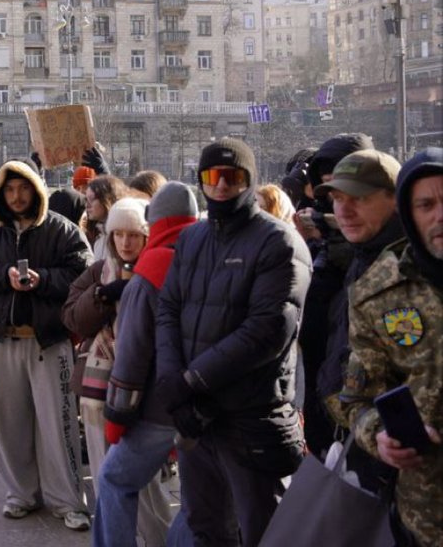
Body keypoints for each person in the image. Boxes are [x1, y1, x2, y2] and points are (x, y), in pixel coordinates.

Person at [155, 138, 310, 546]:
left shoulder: (279, 241)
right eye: (212, 176)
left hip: (250, 420)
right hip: (197, 419)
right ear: (200, 181)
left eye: (233, 177)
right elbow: (168, 308)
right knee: (206, 528)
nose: (221, 186)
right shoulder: (192, 239)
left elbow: (267, 331)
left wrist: (190, 381)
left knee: (265, 532)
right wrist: (173, 380)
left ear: (249, 180)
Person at [0, 159, 92, 531]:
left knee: (59, 422)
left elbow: (83, 273)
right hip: (2, 340)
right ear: (0, 194)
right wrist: (4, 276)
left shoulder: (62, 230)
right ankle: (20, 494)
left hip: (48, 341)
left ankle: (68, 501)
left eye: (23, 189)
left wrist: (42, 279)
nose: (16, 197)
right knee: (7, 423)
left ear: (36, 191)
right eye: (10, 190)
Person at [335, 147, 443, 547]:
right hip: (427, 517)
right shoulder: (376, 294)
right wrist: (380, 436)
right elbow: (357, 399)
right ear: (409, 214)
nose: (440, 215)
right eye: (427, 204)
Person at [94, 182, 197, 547]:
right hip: (203, 402)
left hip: (156, 407)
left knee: (114, 480)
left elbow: (132, 355)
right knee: (198, 500)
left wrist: (116, 421)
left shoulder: (149, 272)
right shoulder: (208, 259)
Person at [312, 150, 404, 493]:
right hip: (355, 442)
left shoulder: (405, 267)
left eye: (359, 199)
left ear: (396, 199)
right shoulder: (361, 255)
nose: (343, 210)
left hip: (394, 464)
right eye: (337, 198)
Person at [62, 195, 151, 520]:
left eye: (134, 235)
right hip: (97, 384)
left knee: (145, 481)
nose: (126, 243)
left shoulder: (158, 272)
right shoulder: (100, 271)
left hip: (143, 384)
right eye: (119, 234)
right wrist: (102, 295)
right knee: (102, 466)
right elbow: (73, 318)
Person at [83, 175, 128, 261]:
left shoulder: (121, 239)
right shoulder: (98, 237)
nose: (87, 205)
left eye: (92, 199)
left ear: (108, 199)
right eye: (86, 200)